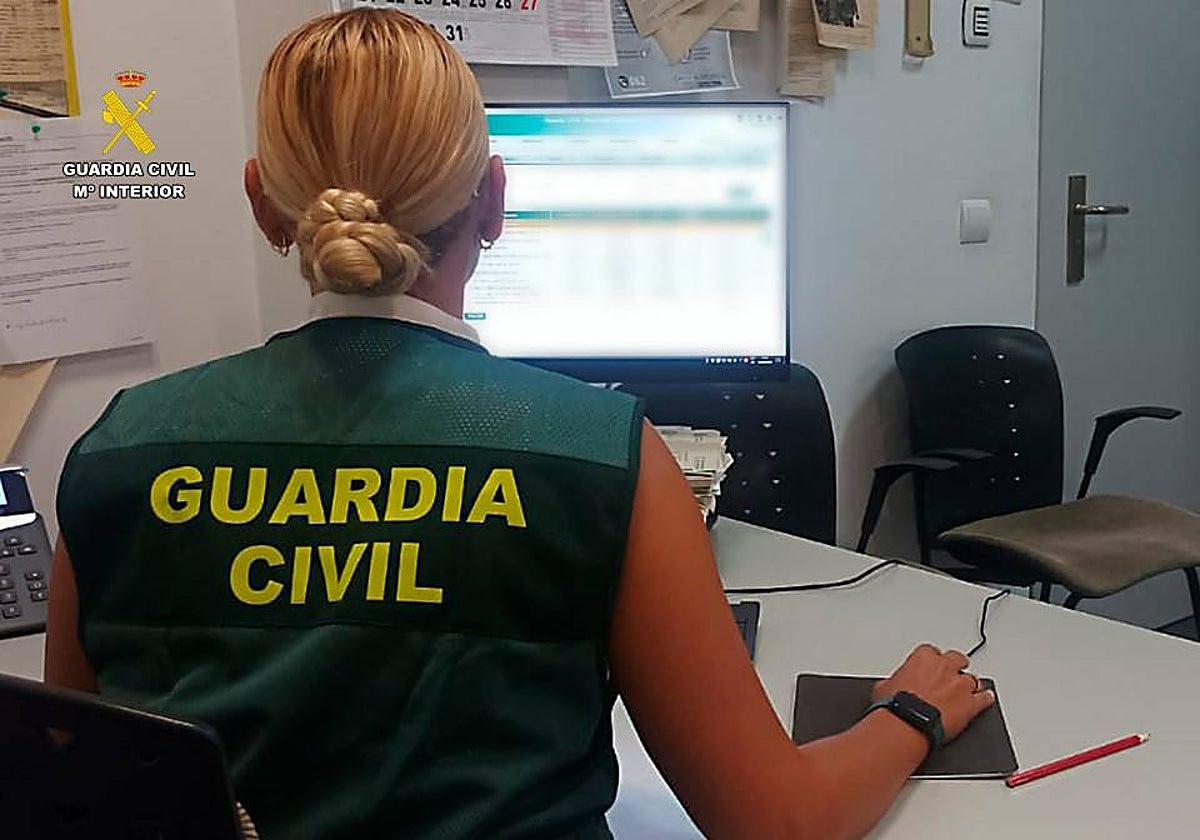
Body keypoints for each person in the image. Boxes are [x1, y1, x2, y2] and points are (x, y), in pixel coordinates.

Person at [45, 9, 994, 839]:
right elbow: (777, 820)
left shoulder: (119, 450)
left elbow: (75, 786)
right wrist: (909, 713)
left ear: (264, 206)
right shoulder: (602, 454)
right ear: (495, 201)